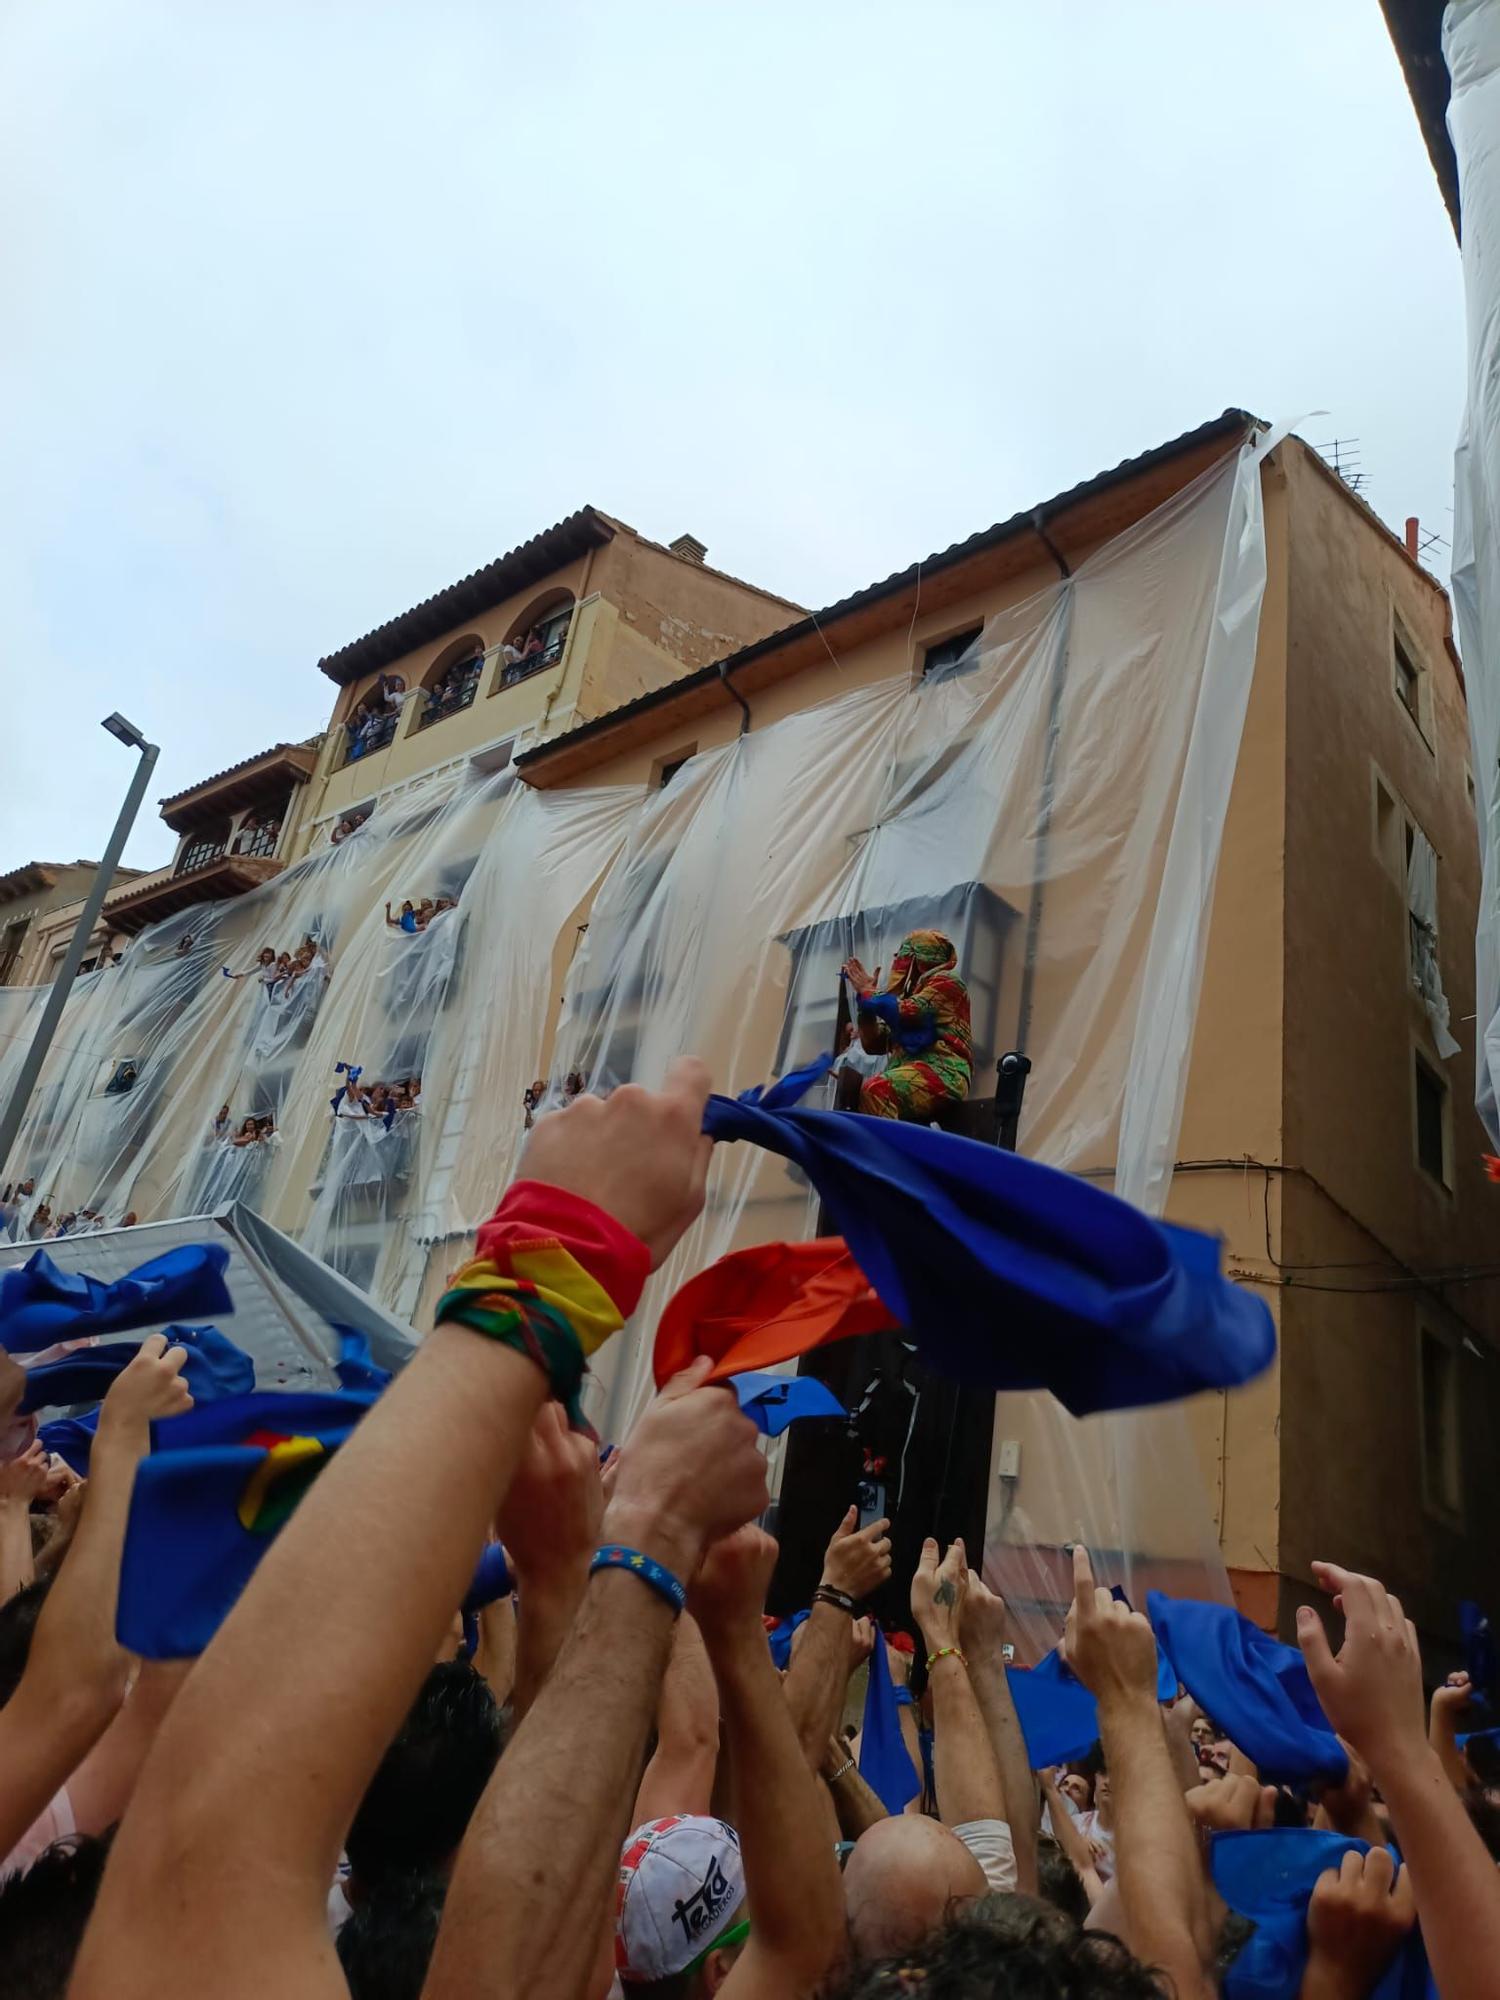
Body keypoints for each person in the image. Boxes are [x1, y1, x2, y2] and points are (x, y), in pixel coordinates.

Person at [841, 931, 971, 1122]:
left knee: (876, 1090)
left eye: (902, 956)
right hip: (914, 1076)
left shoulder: (948, 983)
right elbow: (873, 1043)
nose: (897, 963)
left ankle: (885, 1152)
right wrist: (865, 1006)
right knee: (861, 1094)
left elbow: (905, 1011)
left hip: (944, 1074)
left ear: (918, 960)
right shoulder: (915, 995)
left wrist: (869, 993)